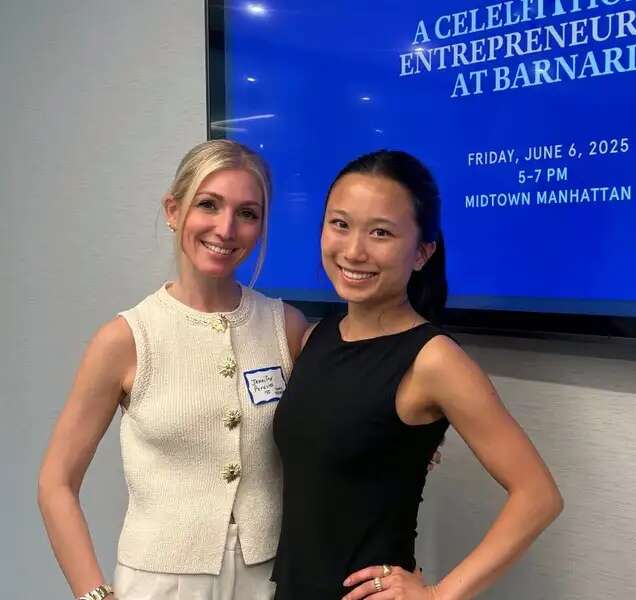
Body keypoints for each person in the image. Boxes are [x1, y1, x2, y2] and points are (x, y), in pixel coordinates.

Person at [271, 149, 563, 599]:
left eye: (381, 232)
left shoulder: (433, 360)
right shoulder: (315, 338)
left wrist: (436, 595)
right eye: (340, 224)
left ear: (423, 252)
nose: (353, 250)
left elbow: (538, 496)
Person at [38, 140, 307, 600]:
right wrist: (93, 594)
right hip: (159, 582)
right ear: (172, 210)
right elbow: (56, 482)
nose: (226, 228)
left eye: (247, 213)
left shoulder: (286, 327)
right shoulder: (126, 338)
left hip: (271, 577)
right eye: (209, 205)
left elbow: (331, 430)